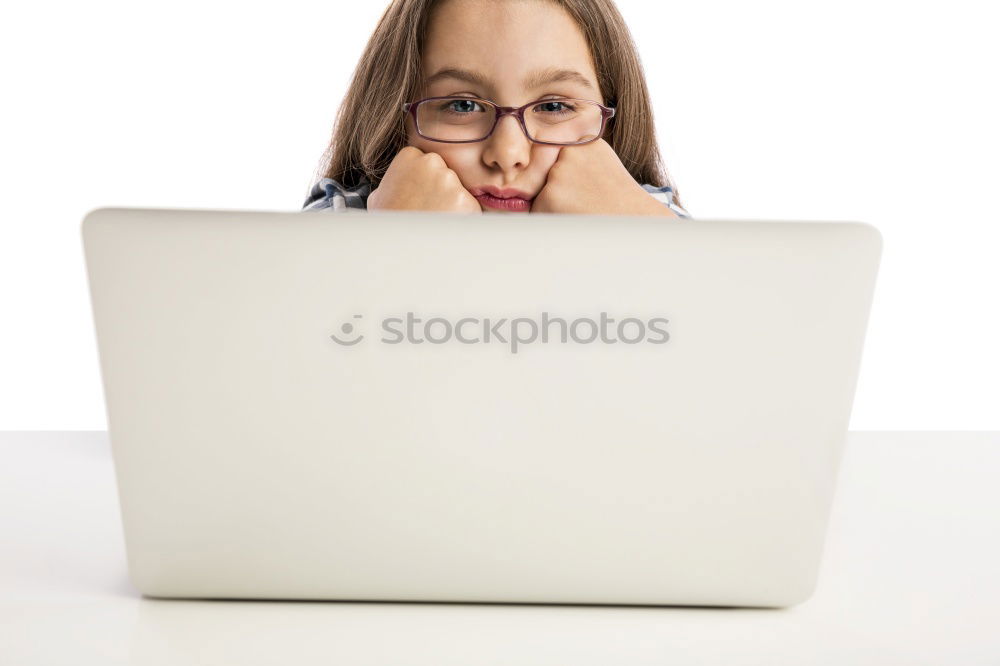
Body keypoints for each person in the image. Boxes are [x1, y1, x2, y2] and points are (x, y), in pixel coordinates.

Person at [302, 0, 691, 219]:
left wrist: (643, 245)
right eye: (463, 105)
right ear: (393, 119)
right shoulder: (344, 220)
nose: (508, 155)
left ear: (612, 118)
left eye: (554, 106)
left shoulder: (649, 220)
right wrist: (393, 251)